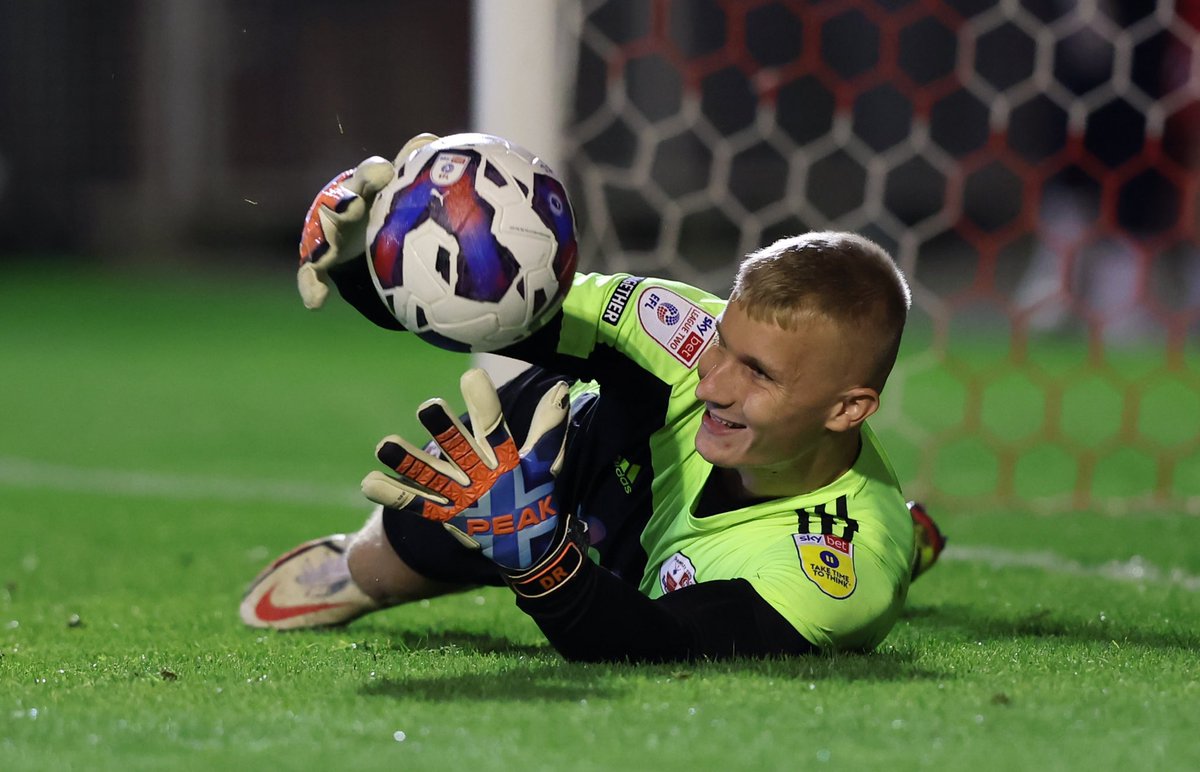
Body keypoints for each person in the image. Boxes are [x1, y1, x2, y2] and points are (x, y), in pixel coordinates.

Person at [240, 137, 946, 662]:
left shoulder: (832, 577)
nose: (715, 380)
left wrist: (541, 560)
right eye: (724, 344)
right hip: (588, 464)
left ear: (848, 408)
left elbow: (664, 647)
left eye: (758, 374)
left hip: (657, 578)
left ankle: (902, 531)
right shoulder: (679, 336)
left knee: (664, 600)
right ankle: (361, 564)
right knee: (378, 569)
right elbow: (495, 306)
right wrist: (369, 257)